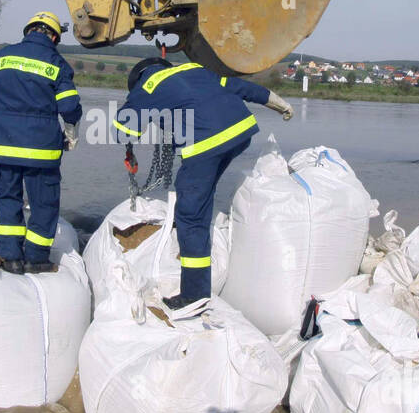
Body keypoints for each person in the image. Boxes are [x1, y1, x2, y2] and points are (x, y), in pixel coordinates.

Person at [113, 57, 293, 313]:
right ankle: (198, 282)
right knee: (201, 196)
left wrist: (132, 112)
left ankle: (194, 295)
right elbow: (240, 87)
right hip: (241, 132)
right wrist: (278, 103)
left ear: (138, 78)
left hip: (208, 143)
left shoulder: (148, 86)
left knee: (190, 214)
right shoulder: (195, 70)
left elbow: (122, 131)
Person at [0, 12, 81, 275]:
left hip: (4, 144)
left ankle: (10, 256)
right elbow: (69, 105)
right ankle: (36, 258)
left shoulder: (3, 56)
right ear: (52, 36)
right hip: (41, 149)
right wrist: (71, 131)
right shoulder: (57, 63)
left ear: (28, 31)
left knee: (8, 198)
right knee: (44, 203)